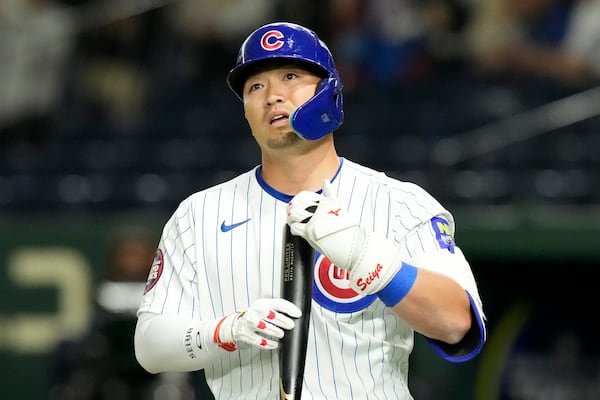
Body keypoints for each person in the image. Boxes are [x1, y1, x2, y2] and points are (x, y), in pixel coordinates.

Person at [134, 21, 486, 399]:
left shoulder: (398, 203)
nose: (272, 95)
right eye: (256, 86)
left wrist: (372, 262)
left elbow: (456, 323)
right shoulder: (199, 214)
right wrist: (226, 331)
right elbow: (150, 346)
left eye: (290, 76)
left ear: (329, 91)